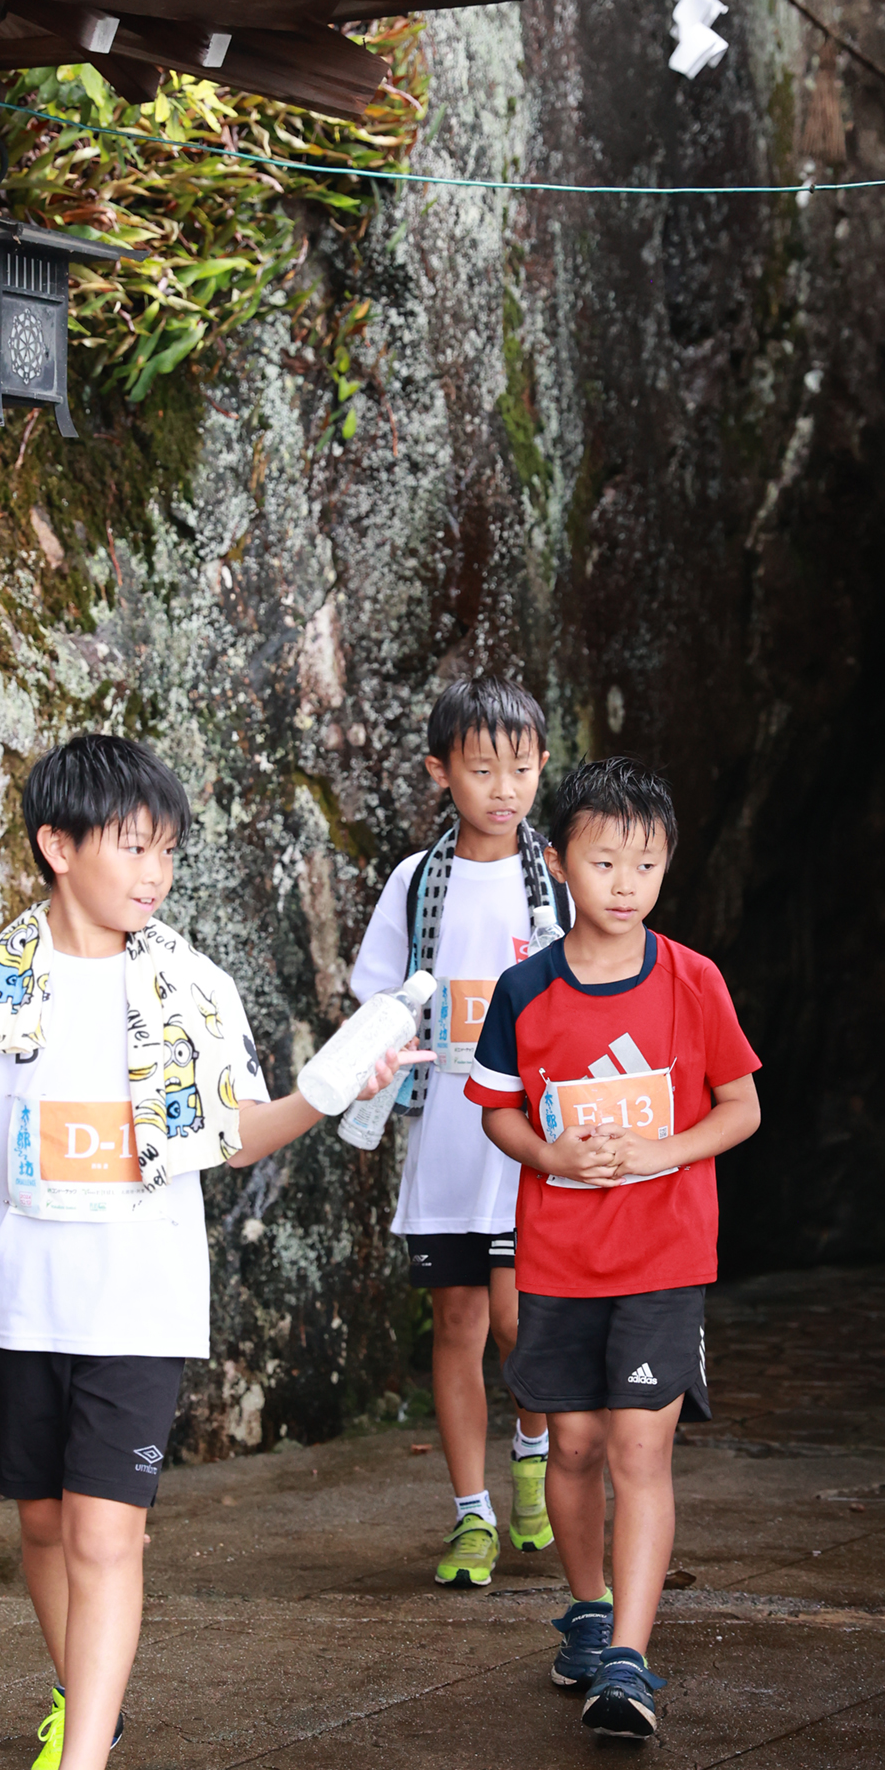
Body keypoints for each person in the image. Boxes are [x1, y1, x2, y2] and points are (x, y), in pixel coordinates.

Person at [0, 733, 420, 1770]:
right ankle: (83, 1700)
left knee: (108, 1536)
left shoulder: (191, 987)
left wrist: (323, 1097)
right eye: (132, 847)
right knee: (43, 1528)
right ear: (57, 847)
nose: (155, 872)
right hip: (20, 1311)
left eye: (166, 849)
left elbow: (238, 1134)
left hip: (140, 1311)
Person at [465, 757, 761, 1740]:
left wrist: (660, 1152)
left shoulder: (693, 980)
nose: (626, 884)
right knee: (576, 1445)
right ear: (558, 863)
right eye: (603, 862)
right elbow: (497, 1111)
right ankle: (589, 1609)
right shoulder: (525, 991)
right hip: (558, 1258)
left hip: (664, 1258)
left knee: (639, 1448)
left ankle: (628, 1661)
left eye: (646, 864)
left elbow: (741, 1107)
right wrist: (550, 1155)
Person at [350, 675, 570, 1590]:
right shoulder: (416, 881)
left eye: (520, 768)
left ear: (543, 765)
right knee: (459, 1322)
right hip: (448, 1134)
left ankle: (534, 1455)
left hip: (530, 1139)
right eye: (482, 770)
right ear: (441, 772)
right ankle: (472, 1513)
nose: (503, 789)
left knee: (522, 1321)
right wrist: (385, 1045)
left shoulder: (559, 875)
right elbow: (378, 993)